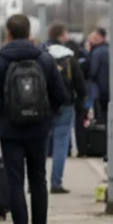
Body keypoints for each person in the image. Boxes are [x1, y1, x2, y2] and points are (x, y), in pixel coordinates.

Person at [0, 14, 68, 224]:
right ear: (30, 33)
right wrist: (47, 115)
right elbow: (60, 95)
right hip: (38, 129)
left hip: (10, 130)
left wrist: (1, 116)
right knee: (38, 179)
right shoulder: (45, 60)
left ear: (8, 33)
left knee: (15, 181)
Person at [44, 23, 87, 193]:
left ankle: (37, 182)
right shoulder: (70, 57)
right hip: (66, 104)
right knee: (61, 144)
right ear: (62, 36)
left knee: (42, 143)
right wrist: (79, 101)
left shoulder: (42, 55)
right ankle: (56, 182)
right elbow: (80, 85)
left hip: (45, 105)